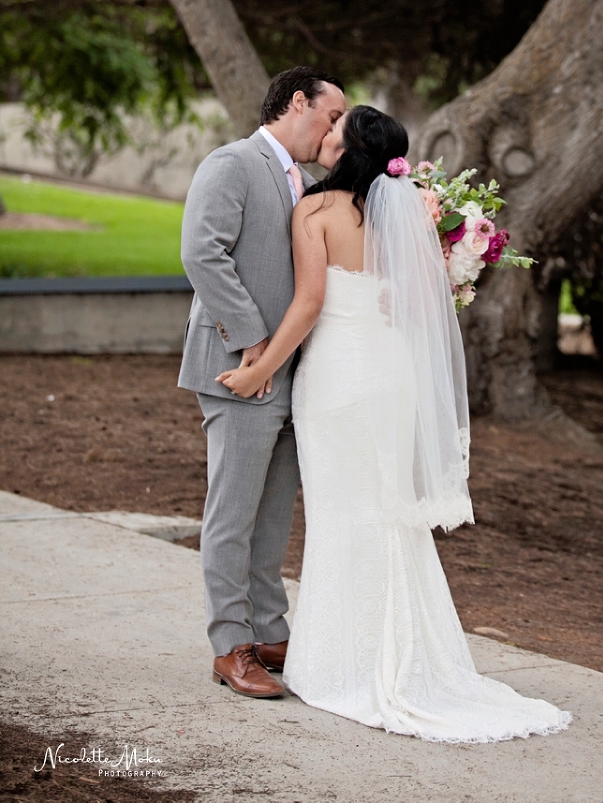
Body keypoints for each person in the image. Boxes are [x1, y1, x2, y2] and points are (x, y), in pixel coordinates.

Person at [217, 105, 571, 742]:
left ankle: (348, 665)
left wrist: (257, 368)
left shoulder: (317, 213)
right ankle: (405, 657)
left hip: (338, 381)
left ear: (350, 151)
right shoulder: (407, 215)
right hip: (392, 376)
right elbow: (411, 303)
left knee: (342, 515)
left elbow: (309, 304)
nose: (325, 135)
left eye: (335, 131)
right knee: (384, 514)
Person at [179, 66, 346, 699]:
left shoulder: (306, 183)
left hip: (290, 375)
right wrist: (253, 340)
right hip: (238, 368)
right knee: (232, 513)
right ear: (297, 102)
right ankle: (231, 645)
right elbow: (202, 252)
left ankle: (270, 629)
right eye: (331, 117)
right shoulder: (231, 163)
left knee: (273, 514)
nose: (335, 133)